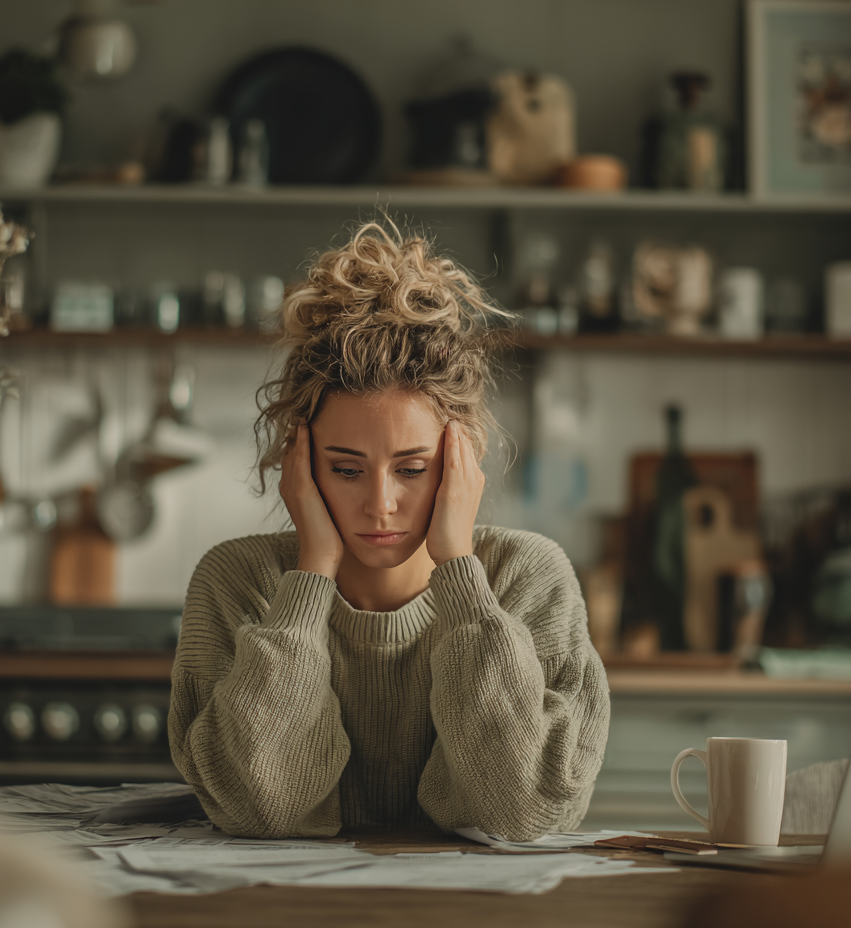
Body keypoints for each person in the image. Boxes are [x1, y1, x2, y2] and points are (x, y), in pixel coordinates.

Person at [168, 222, 609, 840]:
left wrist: (459, 569)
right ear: (299, 458)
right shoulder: (237, 581)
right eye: (346, 469)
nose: (380, 504)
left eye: (413, 469)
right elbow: (258, 807)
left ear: (463, 460)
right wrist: (311, 575)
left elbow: (525, 808)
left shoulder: (527, 577)